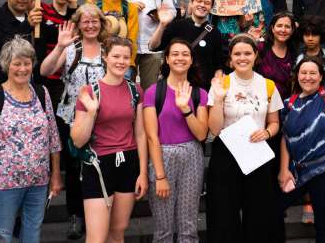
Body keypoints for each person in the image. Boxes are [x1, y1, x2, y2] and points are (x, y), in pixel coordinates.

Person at [0, 37, 62, 243]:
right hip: (4, 182)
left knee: (32, 234)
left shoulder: (41, 93)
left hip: (38, 181)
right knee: (1, 235)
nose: (22, 68)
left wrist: (55, 175)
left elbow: (53, 135)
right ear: (7, 65)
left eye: (27, 63)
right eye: (17, 63)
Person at [278, 17, 325, 243]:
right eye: (303, 73)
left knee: (324, 226)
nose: (307, 77)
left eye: (313, 73)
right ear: (296, 76)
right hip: (299, 170)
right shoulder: (288, 103)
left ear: (321, 77)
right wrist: (284, 170)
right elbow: (285, 137)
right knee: (273, 210)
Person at [70, 37, 148, 243]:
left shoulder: (135, 90)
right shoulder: (89, 91)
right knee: (97, 237)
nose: (121, 61)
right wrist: (92, 112)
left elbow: (140, 133)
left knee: (118, 232)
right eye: (116, 56)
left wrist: (142, 172)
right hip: (99, 165)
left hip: (128, 162)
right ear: (105, 57)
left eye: (125, 57)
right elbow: (78, 140)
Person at [39, 5, 109, 238]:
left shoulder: (108, 49)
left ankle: (96, 215)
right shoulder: (71, 49)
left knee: (97, 167)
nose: (90, 25)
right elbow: (44, 70)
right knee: (73, 169)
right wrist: (60, 45)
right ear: (78, 24)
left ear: (101, 24)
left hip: (101, 119)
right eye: (85, 21)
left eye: (94, 21)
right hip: (70, 117)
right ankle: (76, 216)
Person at [206, 34, 283, 243]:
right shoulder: (221, 84)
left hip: (256, 153)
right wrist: (219, 98)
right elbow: (213, 129)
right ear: (230, 58)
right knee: (224, 213)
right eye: (237, 53)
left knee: (259, 213)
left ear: (255, 56)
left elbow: (275, 123)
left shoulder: (268, 85)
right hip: (226, 154)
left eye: (247, 53)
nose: (242, 58)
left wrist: (267, 133)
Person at [143, 39, 208, 243]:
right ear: (167, 59)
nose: (180, 58)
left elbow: (201, 134)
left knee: (188, 226)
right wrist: (160, 176)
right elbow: (151, 136)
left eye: (185, 54)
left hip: (192, 156)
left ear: (191, 60)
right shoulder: (154, 92)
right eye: (175, 54)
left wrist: (185, 109)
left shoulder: (199, 93)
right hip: (163, 154)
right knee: (163, 228)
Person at [149, 0, 224, 89]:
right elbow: (153, 46)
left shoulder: (215, 33)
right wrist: (162, 25)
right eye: (199, 1)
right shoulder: (176, 26)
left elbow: (218, 66)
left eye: (207, 3)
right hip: (175, 87)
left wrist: (215, 89)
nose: (202, 5)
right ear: (192, 3)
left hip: (202, 89)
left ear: (211, 7)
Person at [126, 0, 175, 91]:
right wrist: (131, 7)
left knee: (150, 92)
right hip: (127, 45)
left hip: (153, 46)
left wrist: (162, 16)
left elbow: (171, 11)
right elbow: (115, 6)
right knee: (125, 90)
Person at [88, 0, 140, 75]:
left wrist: (129, 62)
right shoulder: (96, 3)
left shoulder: (130, 7)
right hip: (97, 58)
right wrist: (92, 1)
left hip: (121, 61)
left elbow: (132, 38)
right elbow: (85, 26)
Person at [256, 12, 297, 101]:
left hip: (285, 106)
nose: (283, 30)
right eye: (279, 26)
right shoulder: (261, 48)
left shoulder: (294, 53)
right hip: (262, 103)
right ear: (272, 28)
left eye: (287, 26)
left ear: (292, 30)